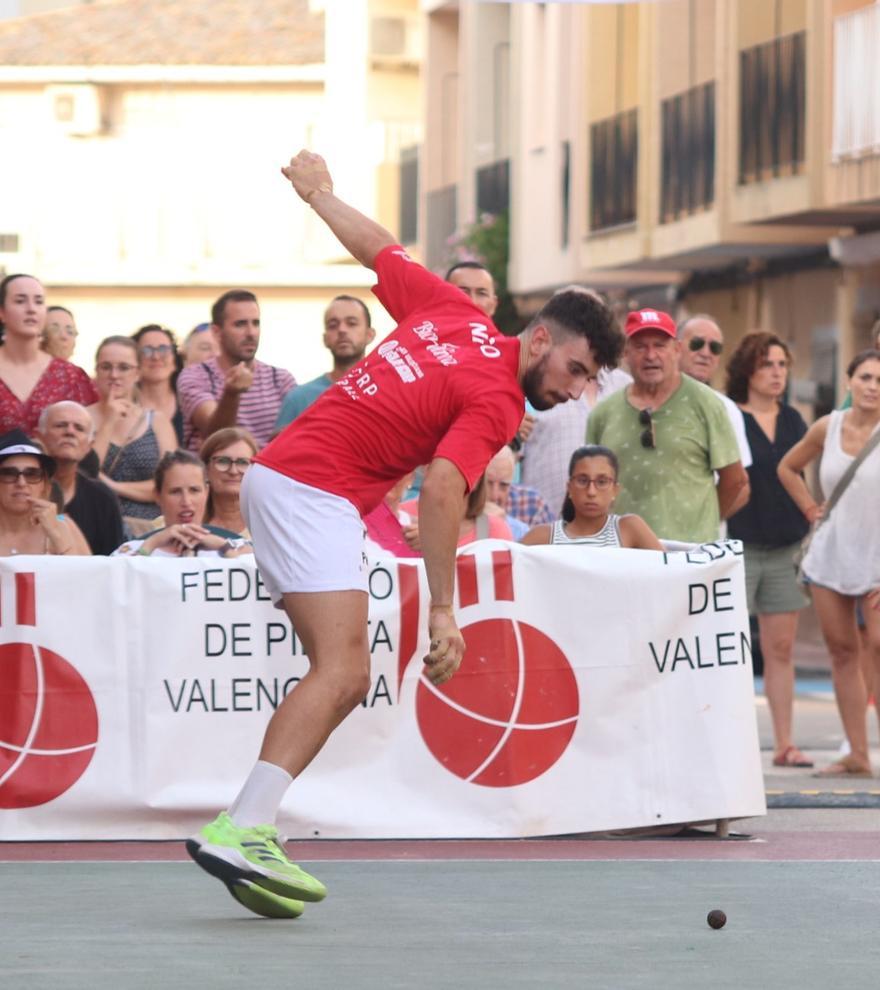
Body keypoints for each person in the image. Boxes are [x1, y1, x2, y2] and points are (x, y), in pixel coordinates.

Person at [185, 149, 623, 920]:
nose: (577, 390)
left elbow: (379, 250)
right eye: (579, 370)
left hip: (285, 480)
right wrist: (446, 611)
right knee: (347, 673)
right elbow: (449, 486)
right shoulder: (500, 397)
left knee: (336, 667)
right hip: (310, 492)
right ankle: (243, 825)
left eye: (588, 382)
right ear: (545, 338)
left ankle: (248, 822)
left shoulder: (456, 315)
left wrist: (320, 195)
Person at [778, 348, 880, 778]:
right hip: (833, 550)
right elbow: (788, 467)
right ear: (850, 381)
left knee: (878, 645)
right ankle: (857, 753)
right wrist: (808, 507)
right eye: (866, 378)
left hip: (877, 553)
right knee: (841, 651)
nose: (873, 387)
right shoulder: (827, 426)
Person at [587, 308, 749, 544]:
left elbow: (735, 480)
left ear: (677, 349)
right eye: (641, 346)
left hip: (688, 559)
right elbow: (590, 482)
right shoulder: (603, 413)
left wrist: (702, 522)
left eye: (660, 345)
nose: (651, 355)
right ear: (625, 353)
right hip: (622, 558)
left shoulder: (707, 404)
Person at [725, 333, 811, 768]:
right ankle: (733, 744)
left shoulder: (795, 420)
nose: (777, 372)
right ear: (747, 371)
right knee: (730, 648)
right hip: (736, 546)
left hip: (784, 546)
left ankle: (784, 743)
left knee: (780, 650)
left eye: (782, 364)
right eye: (767, 364)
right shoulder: (729, 417)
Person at [520, 288, 630, 517]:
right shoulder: (525, 387)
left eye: (587, 377)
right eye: (574, 369)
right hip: (540, 531)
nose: (576, 392)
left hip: (604, 537)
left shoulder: (624, 388)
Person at [177, 290, 296, 450]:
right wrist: (231, 394)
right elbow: (216, 437)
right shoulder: (196, 375)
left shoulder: (281, 379)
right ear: (217, 332)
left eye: (256, 323)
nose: (251, 333)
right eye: (240, 324)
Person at [88, 335, 177, 526]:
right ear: (96, 371)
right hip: (94, 522)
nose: (114, 374)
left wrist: (112, 486)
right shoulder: (81, 418)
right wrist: (109, 421)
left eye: (123, 367)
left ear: (137, 373)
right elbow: (85, 474)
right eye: (106, 367)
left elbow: (169, 484)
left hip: (149, 526)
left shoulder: (157, 421)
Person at [0, 274, 97, 434]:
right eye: (20, 301)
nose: (31, 309)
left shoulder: (71, 377)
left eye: (38, 301)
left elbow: (87, 443)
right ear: (2, 312)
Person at [112, 450, 252, 557]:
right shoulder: (129, 551)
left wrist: (224, 548)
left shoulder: (240, 549)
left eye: (194, 490)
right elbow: (118, 581)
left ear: (206, 492)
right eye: (175, 491)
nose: (186, 501)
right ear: (158, 496)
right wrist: (151, 545)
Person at [522, 445, 662, 550]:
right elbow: (505, 569)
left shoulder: (629, 529)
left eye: (602, 482)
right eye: (582, 481)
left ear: (615, 489)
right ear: (569, 487)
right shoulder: (545, 537)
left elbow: (670, 573)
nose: (591, 492)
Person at [36, 401, 124, 556]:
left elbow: (113, 563)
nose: (70, 432)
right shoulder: (20, 491)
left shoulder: (103, 498)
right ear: (39, 436)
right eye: (60, 425)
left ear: (90, 446)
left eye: (79, 428)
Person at [275, 295, 376, 429]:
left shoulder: (389, 394)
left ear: (370, 334)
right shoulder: (298, 399)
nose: (342, 330)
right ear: (325, 338)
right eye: (333, 325)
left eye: (351, 323)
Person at [677, 314, 752, 474]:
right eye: (697, 343)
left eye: (715, 348)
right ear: (676, 347)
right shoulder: (648, 400)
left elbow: (738, 480)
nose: (706, 353)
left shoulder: (727, 409)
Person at [0, 429, 91, 557]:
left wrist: (55, 533)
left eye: (32, 474)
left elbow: (86, 574)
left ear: (44, 485)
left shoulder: (66, 525)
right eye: (8, 474)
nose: (21, 483)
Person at [484, 444, 553, 539]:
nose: (494, 495)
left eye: (503, 485)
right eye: (488, 483)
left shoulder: (522, 530)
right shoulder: (460, 520)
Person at [200, 427, 257, 537]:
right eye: (222, 461)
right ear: (205, 469)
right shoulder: (176, 522)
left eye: (243, 462)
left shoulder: (269, 525)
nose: (233, 471)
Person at [132, 324, 184, 445]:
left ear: (175, 360)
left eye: (163, 349)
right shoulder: (126, 405)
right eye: (146, 350)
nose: (156, 357)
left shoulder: (188, 403)